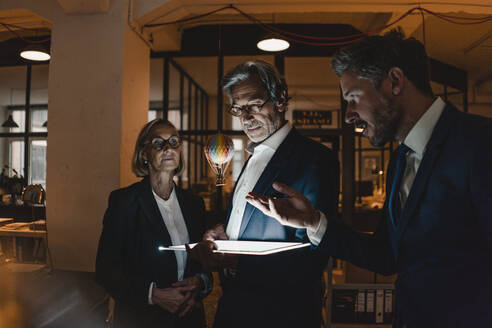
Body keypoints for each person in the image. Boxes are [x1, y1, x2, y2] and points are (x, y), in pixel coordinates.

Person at [246, 29, 492, 327]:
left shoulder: (480, 142)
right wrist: (313, 222)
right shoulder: (400, 160)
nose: (349, 115)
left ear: (395, 82)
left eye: (353, 98)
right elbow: (386, 257)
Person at [191, 60, 339, 328]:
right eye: (238, 108)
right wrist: (226, 234)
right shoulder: (252, 156)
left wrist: (236, 261)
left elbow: (312, 257)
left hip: (280, 315)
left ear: (280, 100)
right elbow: (253, 222)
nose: (245, 117)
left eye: (255, 104)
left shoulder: (315, 160)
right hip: (234, 309)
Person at [95, 119, 211, 328]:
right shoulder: (124, 202)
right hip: (142, 320)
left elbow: (204, 265)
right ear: (143, 153)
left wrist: (201, 282)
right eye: (158, 143)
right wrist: (154, 295)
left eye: (174, 142)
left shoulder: (194, 204)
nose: (168, 148)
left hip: (189, 320)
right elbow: (106, 269)